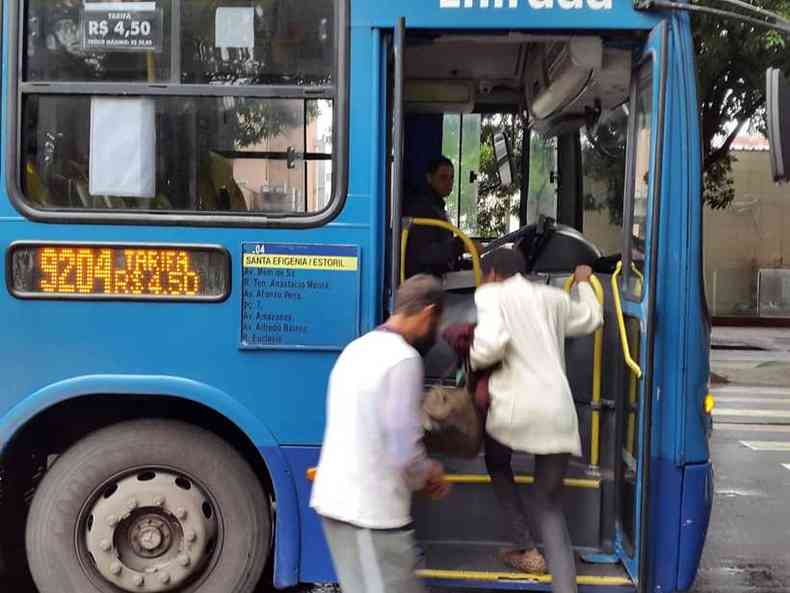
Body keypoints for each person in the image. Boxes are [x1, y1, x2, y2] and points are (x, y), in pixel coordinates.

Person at [470, 248, 603, 593]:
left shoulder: (491, 295)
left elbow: (490, 346)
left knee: (497, 461)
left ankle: (525, 545)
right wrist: (584, 283)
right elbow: (591, 319)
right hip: (558, 414)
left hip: (515, 413)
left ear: (493, 274)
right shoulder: (551, 299)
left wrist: (469, 360)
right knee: (549, 505)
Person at [310, 274, 452, 593]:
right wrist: (431, 473)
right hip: (371, 513)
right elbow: (404, 451)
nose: (434, 333)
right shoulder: (402, 359)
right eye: (435, 323)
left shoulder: (355, 349)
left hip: (336, 502)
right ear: (428, 313)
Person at [403, 156, 465, 279]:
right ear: (429, 178)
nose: (449, 182)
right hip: (424, 283)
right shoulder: (422, 209)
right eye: (443, 177)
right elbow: (426, 253)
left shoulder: (436, 206)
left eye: (451, 177)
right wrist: (460, 246)